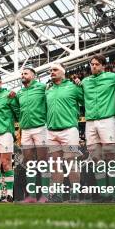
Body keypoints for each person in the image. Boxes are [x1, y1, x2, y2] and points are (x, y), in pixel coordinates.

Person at [79, 54, 115, 201]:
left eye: (97, 64)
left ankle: (114, 193)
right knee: (96, 158)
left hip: (107, 120)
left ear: (103, 65)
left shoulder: (113, 77)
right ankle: (104, 193)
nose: (94, 66)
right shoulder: (85, 81)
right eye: (92, 64)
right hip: (90, 122)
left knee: (110, 156)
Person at [45, 62, 83, 202]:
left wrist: (81, 85)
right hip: (51, 132)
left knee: (71, 161)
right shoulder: (48, 89)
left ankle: (75, 193)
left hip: (69, 131)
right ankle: (58, 195)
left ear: (63, 71)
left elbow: (86, 100)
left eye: (55, 70)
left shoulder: (73, 87)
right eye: (50, 70)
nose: (52, 72)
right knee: (55, 164)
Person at [0, 73, 20, 202]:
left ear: (0, 83)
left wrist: (14, 98)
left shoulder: (8, 95)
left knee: (6, 164)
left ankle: (10, 194)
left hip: (5, 133)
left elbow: (17, 112)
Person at [16, 67, 48, 202]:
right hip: (26, 130)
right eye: (22, 73)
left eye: (25, 73)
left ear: (34, 76)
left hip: (40, 127)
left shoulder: (42, 88)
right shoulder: (20, 93)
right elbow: (18, 109)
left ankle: (45, 195)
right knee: (29, 163)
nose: (23, 75)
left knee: (43, 162)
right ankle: (32, 196)